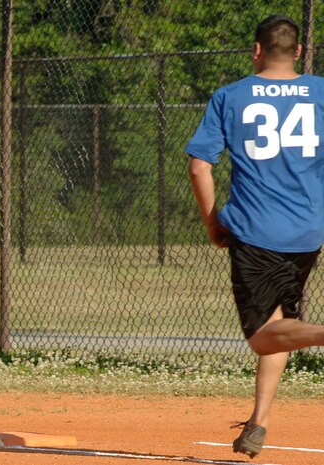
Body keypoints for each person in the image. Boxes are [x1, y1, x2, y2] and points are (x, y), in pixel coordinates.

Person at [187, 14, 324, 458]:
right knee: (281, 323)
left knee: (261, 337)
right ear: (300, 52)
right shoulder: (320, 93)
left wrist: (213, 222)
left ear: (256, 49)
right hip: (308, 231)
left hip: (256, 230)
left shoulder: (231, 96)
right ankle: (258, 423)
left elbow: (199, 167)